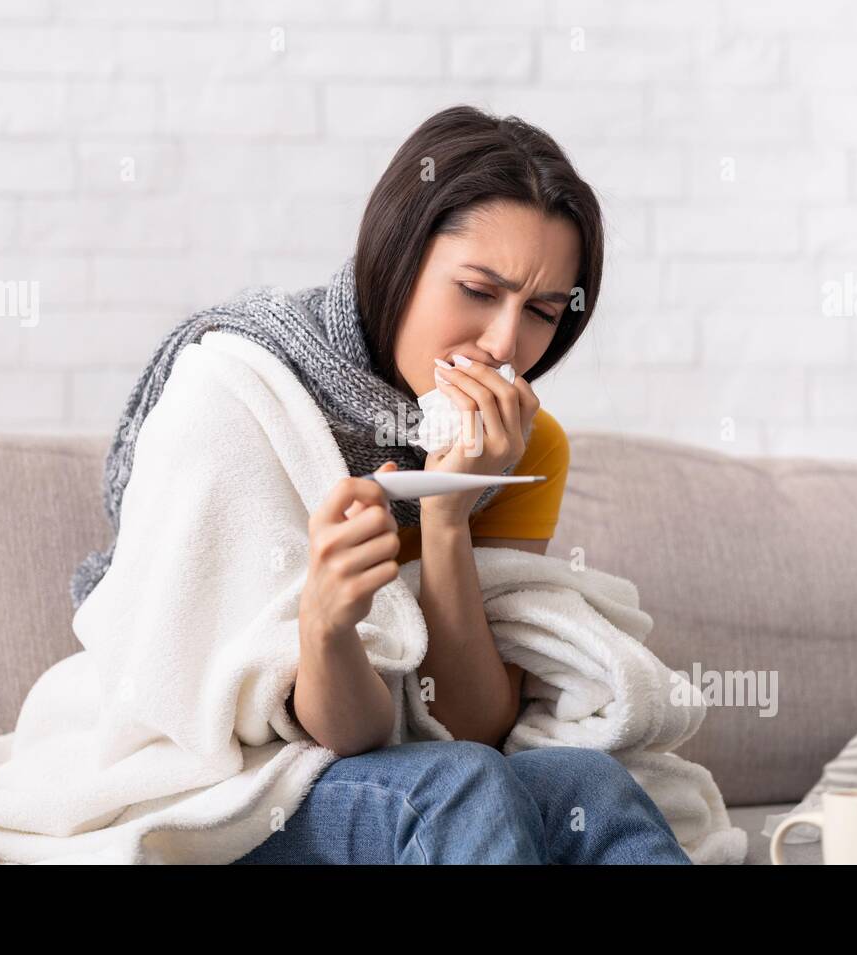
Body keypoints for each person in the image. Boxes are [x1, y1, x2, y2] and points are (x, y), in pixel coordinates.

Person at [234, 104, 691, 865]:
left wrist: (448, 514)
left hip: (433, 772)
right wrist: (325, 625)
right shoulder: (255, 396)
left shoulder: (523, 447)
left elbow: (473, 724)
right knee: (458, 784)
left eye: (542, 311)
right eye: (479, 291)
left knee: (591, 784)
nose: (505, 345)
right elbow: (328, 735)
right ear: (398, 259)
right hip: (250, 788)